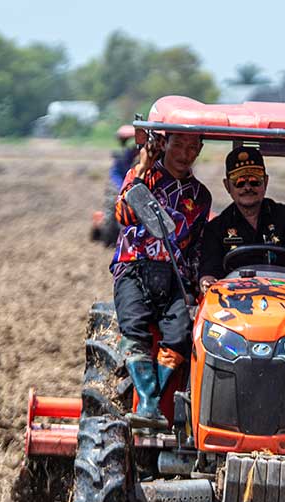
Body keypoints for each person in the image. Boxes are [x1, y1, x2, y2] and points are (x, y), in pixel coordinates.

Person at [111, 131, 211, 429]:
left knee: (181, 334)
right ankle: (149, 403)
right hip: (134, 266)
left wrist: (196, 289)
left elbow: (195, 247)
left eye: (191, 147)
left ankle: (163, 402)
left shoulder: (200, 195)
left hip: (174, 277)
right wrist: (142, 166)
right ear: (165, 144)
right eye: (178, 145)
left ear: (199, 150)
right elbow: (124, 214)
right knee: (134, 329)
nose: (184, 153)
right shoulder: (142, 177)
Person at [199, 146, 285, 291]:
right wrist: (207, 282)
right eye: (239, 182)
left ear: (265, 182)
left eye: (254, 181)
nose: (247, 187)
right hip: (236, 302)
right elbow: (209, 271)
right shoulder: (216, 228)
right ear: (227, 186)